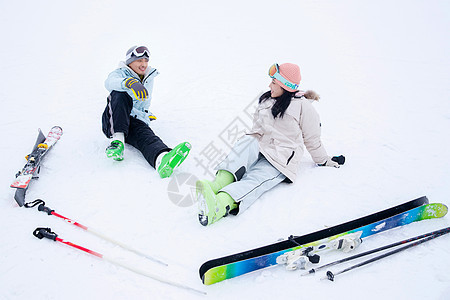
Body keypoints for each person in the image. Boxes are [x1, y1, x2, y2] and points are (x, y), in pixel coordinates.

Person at [196, 63, 345, 226]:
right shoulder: (267, 100)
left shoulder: (304, 107)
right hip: (261, 147)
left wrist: (324, 160)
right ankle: (215, 185)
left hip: (280, 158)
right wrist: (249, 146)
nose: (269, 85)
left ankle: (220, 204)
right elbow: (257, 128)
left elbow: (312, 139)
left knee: (255, 179)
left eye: (274, 82)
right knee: (246, 142)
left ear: (285, 86)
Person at [102, 45, 191, 178]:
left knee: (146, 137)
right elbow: (109, 83)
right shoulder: (120, 73)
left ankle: (162, 160)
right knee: (119, 95)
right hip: (115, 117)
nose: (143, 64)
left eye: (146, 61)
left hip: (136, 119)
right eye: (139, 61)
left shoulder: (148, 76)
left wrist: (146, 114)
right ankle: (117, 143)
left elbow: (142, 102)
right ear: (129, 62)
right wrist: (129, 83)